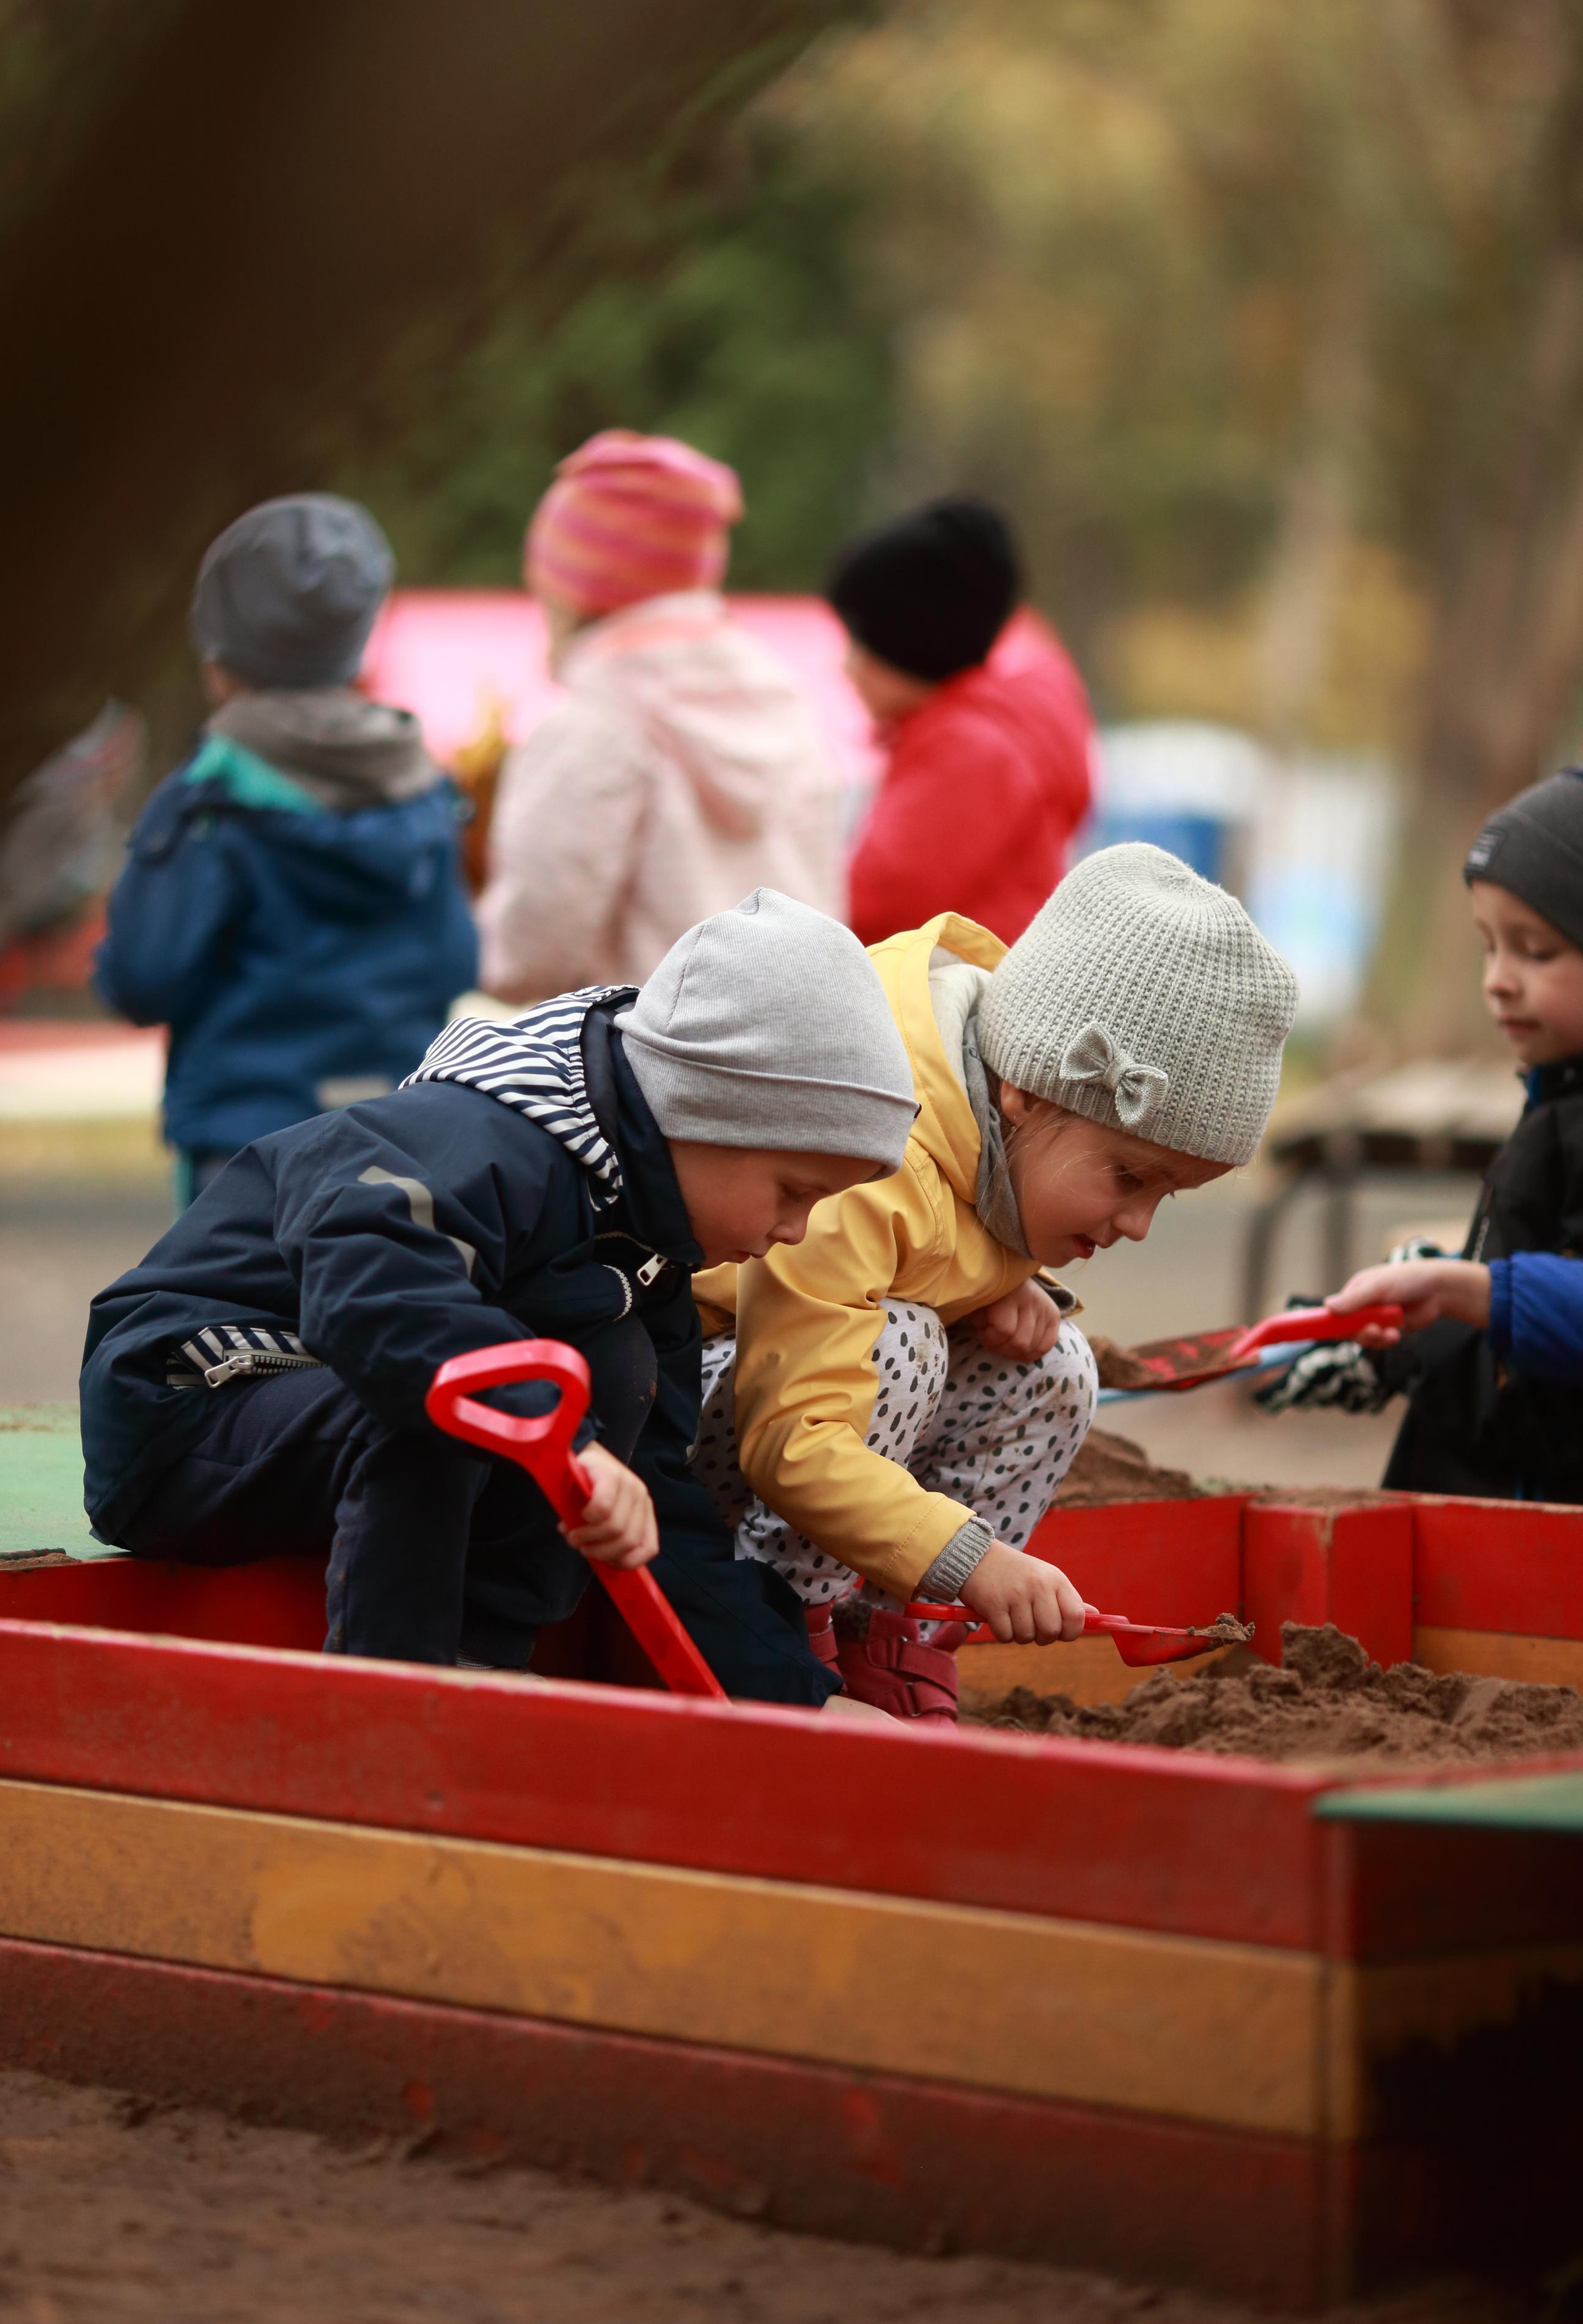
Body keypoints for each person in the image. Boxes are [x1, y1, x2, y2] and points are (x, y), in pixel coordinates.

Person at [80, 889, 920, 1710]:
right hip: (190, 1403)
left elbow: (659, 1503)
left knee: (612, 1365)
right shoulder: (480, 1138)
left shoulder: (644, 1252)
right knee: (461, 1399)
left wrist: (794, 1701)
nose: (795, 1232)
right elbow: (375, 1294)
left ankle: (482, 1664)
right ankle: (394, 1708)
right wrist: (562, 1438)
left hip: (320, 1413)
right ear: (704, 1112)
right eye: (792, 1191)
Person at [694, 845, 1296, 1718]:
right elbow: (793, 1437)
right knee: (900, 1344)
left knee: (1054, 1366)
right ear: (1025, 1091)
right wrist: (969, 1558)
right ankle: (779, 1626)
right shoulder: (872, 1156)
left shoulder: (1000, 1133)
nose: (1137, 1225)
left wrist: (1005, 1287)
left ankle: (895, 1634)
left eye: (1167, 1195)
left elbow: (970, 1217)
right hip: (686, 1417)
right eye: (1130, 1177)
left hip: (793, 1421)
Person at [95, 494, 477, 1204]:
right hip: (396, 1135)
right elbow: (457, 959)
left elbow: (145, 978)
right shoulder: (423, 786)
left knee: (237, 1285)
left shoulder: (208, 798)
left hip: (247, 1148)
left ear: (220, 659)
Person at [1259, 770, 1583, 1501]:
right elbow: (1513, 1333)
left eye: (1534, 950)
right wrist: (1404, 1340)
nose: (1498, 980)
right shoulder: (1552, 1102)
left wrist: (1460, 1297)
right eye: (1489, 947)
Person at [478, 430, 842, 1001]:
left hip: (649, 1049)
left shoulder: (595, 727)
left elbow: (529, 958)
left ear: (577, 591)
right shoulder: (785, 700)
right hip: (800, 1038)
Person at [829, 496, 1096, 948]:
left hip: (958, 990)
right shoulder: (995, 730)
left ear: (912, 643)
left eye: (861, 641)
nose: (847, 667)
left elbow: (869, 908)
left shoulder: (967, 752)